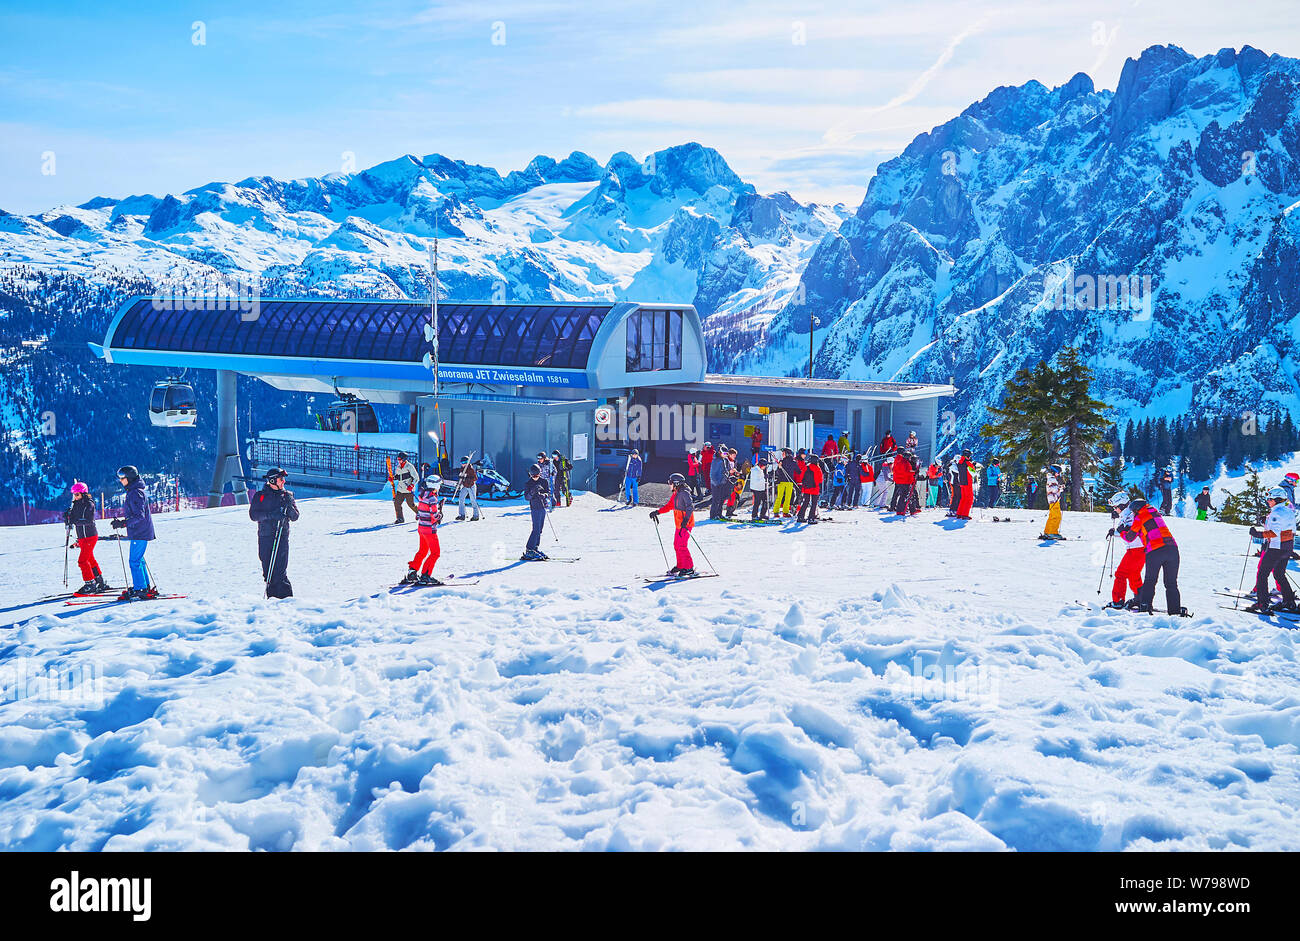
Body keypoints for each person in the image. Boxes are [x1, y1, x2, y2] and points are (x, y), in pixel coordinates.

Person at [1118, 495, 1187, 616]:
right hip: (1172, 549)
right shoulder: (1155, 513)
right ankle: (1174, 612)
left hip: (1155, 550)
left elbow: (1130, 537)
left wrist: (1122, 531)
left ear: (1136, 510)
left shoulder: (1139, 517)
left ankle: (1145, 608)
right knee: (1171, 583)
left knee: (1150, 581)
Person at [249, 467, 299, 598]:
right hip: (265, 537)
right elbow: (254, 515)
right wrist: (271, 515)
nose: (283, 482)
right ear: (272, 481)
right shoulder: (260, 496)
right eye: (280, 479)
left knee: (280, 573)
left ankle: (287, 600)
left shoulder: (287, 496)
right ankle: (272, 599)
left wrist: (289, 508)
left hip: (281, 536)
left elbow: (295, 517)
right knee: (269, 573)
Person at [109, 465, 157, 601]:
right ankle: (143, 586)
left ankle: (140, 588)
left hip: (140, 532)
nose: (120, 480)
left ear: (129, 478)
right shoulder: (134, 491)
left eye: (122, 478)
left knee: (134, 561)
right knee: (139, 560)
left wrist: (123, 523)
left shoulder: (136, 493)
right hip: (140, 531)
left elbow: (139, 516)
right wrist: (123, 522)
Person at [1246, 487, 1297, 614]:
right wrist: (1267, 521)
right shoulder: (1288, 511)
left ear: (1277, 500)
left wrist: (1257, 534)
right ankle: (1289, 601)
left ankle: (1262, 603)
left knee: (1263, 574)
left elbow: (1273, 533)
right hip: (1287, 547)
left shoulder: (1276, 513)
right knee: (1279, 574)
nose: (1268, 501)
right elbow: (1291, 531)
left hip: (1276, 548)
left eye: (1270, 499)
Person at [63, 481, 107, 595]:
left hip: (90, 536)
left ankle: (90, 584)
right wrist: (67, 517)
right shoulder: (75, 504)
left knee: (82, 561)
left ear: (83, 493)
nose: (75, 497)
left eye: (77, 494)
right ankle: (99, 581)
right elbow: (72, 518)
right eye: (74, 494)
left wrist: (74, 521)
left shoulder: (89, 504)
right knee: (90, 559)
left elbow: (89, 521)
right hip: (82, 537)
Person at [402, 472, 445, 586]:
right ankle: (425, 575)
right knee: (435, 553)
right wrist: (440, 515)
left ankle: (412, 572)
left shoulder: (423, 495)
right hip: (429, 530)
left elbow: (419, 513)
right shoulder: (432, 498)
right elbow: (434, 516)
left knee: (423, 551)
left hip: (421, 529)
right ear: (436, 486)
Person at [650, 473, 696, 576]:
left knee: (682, 545)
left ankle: (689, 567)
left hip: (686, 524)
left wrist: (686, 520)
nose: (669, 485)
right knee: (677, 545)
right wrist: (657, 512)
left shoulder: (684, 493)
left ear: (676, 483)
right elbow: (670, 505)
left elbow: (690, 507)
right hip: (679, 524)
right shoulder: (676, 492)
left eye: (670, 483)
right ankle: (681, 565)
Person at [1106, 491, 1145, 609]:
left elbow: (1129, 534)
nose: (1115, 510)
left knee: (1121, 574)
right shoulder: (1127, 514)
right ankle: (1140, 598)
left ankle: (1117, 601)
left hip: (1136, 549)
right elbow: (1125, 532)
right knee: (1134, 575)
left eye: (1115, 507)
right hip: (1138, 549)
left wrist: (1118, 531)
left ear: (1122, 506)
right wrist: (1116, 532)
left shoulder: (1130, 515)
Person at [521, 464, 551, 561]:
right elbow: (526, 497)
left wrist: (544, 495)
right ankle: (529, 549)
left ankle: (535, 548)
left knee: (540, 530)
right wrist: (532, 492)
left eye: (537, 475)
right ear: (530, 475)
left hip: (542, 507)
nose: (535, 478)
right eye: (533, 476)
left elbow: (548, 493)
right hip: (535, 508)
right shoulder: (528, 483)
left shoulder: (543, 481)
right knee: (536, 529)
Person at [391, 452, 418, 523]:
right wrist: (393, 478)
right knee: (397, 503)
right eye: (398, 459)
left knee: (410, 504)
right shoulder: (398, 467)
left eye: (400, 459)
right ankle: (400, 518)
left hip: (408, 490)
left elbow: (416, 478)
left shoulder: (409, 466)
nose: (399, 461)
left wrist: (411, 485)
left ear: (404, 459)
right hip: (400, 489)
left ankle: (419, 513)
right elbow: (397, 476)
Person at [1039, 464, 1063, 538]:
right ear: (1054, 472)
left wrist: (1061, 487)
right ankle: (1053, 532)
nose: (1058, 474)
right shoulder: (1052, 479)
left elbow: (1054, 488)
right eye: (1058, 472)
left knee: (1052, 516)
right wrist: (1061, 489)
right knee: (1057, 516)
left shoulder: (1051, 478)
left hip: (1052, 500)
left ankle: (1047, 531)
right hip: (1054, 500)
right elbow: (1054, 489)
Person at [796, 456, 823, 524]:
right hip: (814, 488)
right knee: (814, 503)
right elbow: (820, 479)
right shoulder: (817, 468)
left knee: (806, 502)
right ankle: (811, 518)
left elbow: (801, 476)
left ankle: (800, 516)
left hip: (806, 488)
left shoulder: (806, 467)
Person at [952, 449, 977, 520]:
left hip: (961, 482)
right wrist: (973, 465)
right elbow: (973, 473)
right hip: (967, 482)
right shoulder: (968, 463)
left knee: (963, 498)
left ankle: (959, 513)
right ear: (967, 456)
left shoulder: (960, 462)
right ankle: (965, 514)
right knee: (969, 498)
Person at [455, 455, 481, 521]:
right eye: (462, 463)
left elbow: (475, 478)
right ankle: (462, 515)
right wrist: (460, 482)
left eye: (464, 463)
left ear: (467, 462)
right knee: (461, 499)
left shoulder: (471, 469)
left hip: (471, 486)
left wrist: (468, 479)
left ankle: (476, 516)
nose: (463, 464)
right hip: (465, 486)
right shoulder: (462, 469)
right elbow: (461, 477)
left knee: (473, 500)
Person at [774, 448, 798, 518]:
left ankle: (781, 511)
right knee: (784, 497)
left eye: (783, 453)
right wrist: (779, 467)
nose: (782, 454)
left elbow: (797, 471)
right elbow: (778, 472)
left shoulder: (792, 462)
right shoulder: (782, 462)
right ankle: (780, 511)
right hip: (784, 481)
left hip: (787, 481)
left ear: (787, 454)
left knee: (784, 497)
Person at [891, 448, 916, 515]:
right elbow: (906, 472)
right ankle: (901, 510)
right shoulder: (904, 463)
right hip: (905, 481)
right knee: (905, 496)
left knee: (904, 495)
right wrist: (914, 472)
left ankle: (909, 509)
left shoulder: (899, 461)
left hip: (901, 481)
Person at [708, 445, 730, 519]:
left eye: (726, 454)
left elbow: (726, 470)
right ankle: (713, 515)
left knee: (721, 499)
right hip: (716, 483)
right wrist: (716, 483)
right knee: (716, 499)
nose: (725, 455)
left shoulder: (724, 460)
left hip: (722, 482)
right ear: (720, 452)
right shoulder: (716, 461)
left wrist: (728, 475)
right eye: (724, 454)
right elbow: (712, 474)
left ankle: (719, 513)